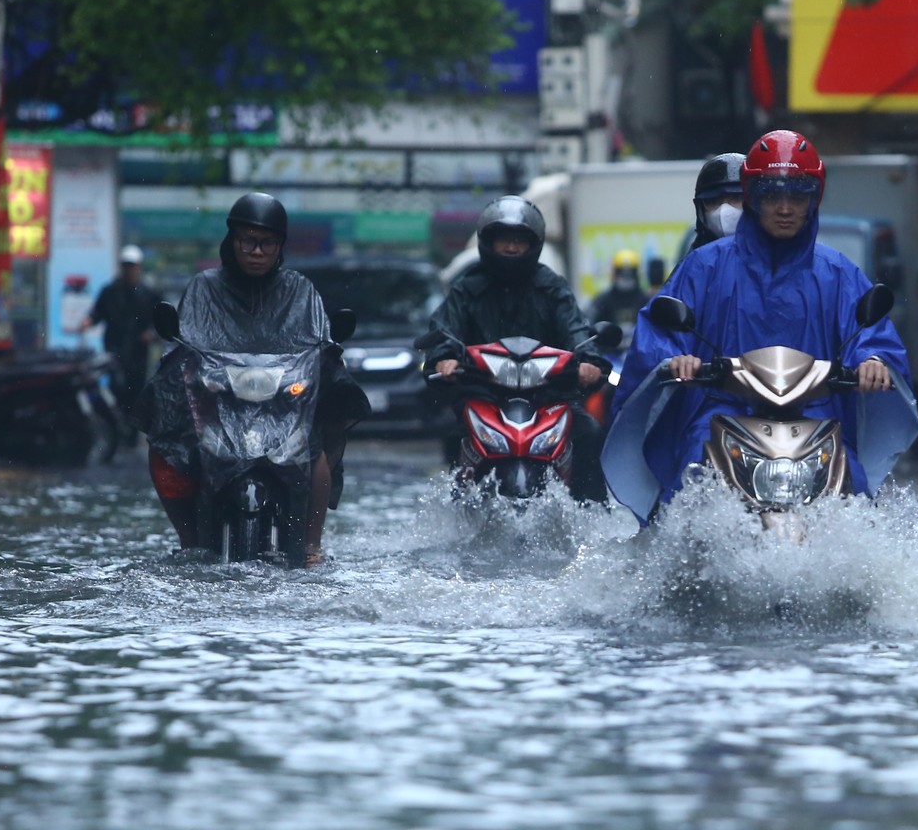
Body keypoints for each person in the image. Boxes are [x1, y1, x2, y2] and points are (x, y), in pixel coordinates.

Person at [605, 129, 914, 520]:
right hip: (718, 414)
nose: (785, 208)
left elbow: (872, 333)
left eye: (797, 195)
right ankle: (672, 571)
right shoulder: (705, 265)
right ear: (752, 197)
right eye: (772, 195)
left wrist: (873, 360)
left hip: (815, 417)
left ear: (813, 198)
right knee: (687, 484)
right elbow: (659, 331)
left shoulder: (837, 272)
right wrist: (675, 358)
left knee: (856, 489)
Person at [137, 193, 367, 562]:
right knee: (163, 441)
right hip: (219, 404)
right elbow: (185, 343)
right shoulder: (203, 287)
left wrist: (326, 355)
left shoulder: (301, 291)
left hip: (285, 407)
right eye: (248, 240)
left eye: (267, 242)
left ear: (280, 246)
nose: (257, 251)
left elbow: (319, 342)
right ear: (232, 241)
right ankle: (188, 538)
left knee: (317, 444)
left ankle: (311, 543)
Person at [422, 196, 605, 390]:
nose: (511, 247)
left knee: (586, 421)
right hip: (481, 394)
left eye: (519, 241)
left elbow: (575, 328)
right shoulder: (467, 289)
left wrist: (588, 360)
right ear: (489, 242)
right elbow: (446, 329)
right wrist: (444, 358)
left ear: (533, 244)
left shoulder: (552, 287)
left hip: (548, 395)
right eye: (504, 239)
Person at [82, 245, 162, 412]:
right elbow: (98, 312)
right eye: (126, 265)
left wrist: (152, 334)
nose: (129, 270)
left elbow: (161, 320)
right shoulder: (110, 292)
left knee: (136, 392)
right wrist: (89, 321)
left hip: (138, 353)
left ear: (139, 267)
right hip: (115, 349)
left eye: (132, 266)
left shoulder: (148, 293)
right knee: (116, 389)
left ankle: (131, 433)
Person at [686, 152, 746, 257]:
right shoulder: (694, 264)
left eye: (737, 198)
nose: (723, 211)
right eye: (713, 201)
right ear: (700, 210)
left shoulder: (777, 257)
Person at [589, 249, 650, 333]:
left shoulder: (646, 301)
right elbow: (589, 322)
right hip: (608, 345)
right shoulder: (602, 301)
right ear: (614, 273)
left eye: (630, 274)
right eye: (622, 274)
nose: (626, 279)